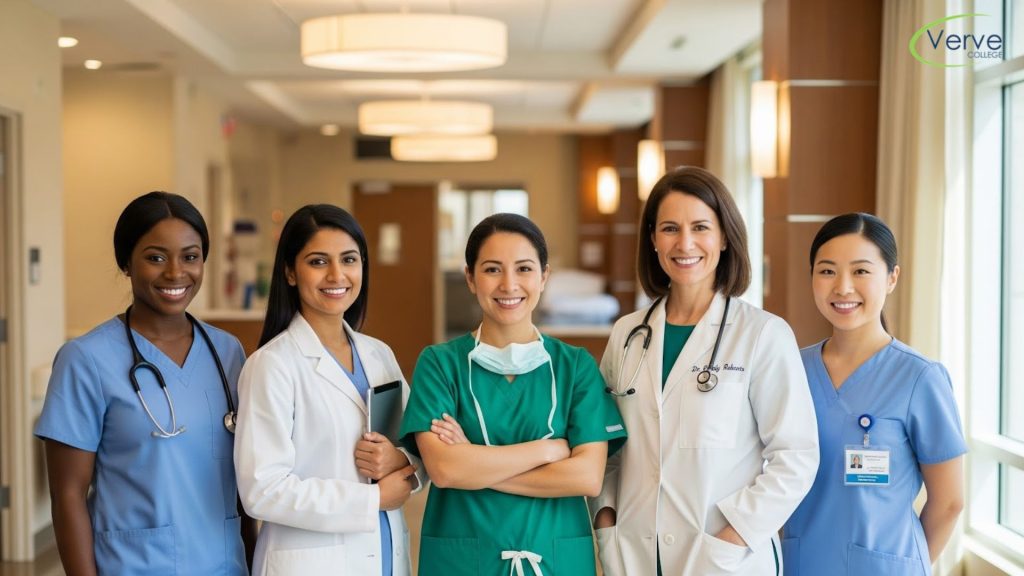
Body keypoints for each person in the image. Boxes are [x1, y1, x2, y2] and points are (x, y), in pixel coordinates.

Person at [591, 166, 819, 575]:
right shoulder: (627, 334)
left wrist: (733, 535)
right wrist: (605, 513)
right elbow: (607, 445)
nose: (685, 243)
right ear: (653, 240)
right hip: (633, 551)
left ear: (725, 237)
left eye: (700, 227)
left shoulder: (762, 334)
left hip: (722, 558)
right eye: (669, 228)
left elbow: (796, 456)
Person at [36, 191, 252, 575]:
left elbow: (244, 482)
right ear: (126, 263)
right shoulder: (86, 360)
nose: (175, 273)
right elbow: (68, 495)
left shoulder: (228, 353)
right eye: (155, 257)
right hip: (133, 566)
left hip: (224, 565)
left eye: (190, 256)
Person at [400, 213, 627, 576]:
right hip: (464, 562)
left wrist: (473, 464)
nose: (509, 284)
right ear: (471, 278)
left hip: (556, 559)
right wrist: (547, 451)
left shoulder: (576, 367)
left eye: (523, 269)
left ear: (543, 277)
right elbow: (443, 469)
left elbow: (586, 477)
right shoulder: (440, 365)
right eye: (492, 270)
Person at [234, 204, 426, 576]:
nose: (337, 275)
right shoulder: (272, 365)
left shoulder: (378, 354)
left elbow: (419, 442)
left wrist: (401, 460)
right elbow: (262, 489)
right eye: (318, 262)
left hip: (386, 556)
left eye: (349, 260)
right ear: (290, 272)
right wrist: (372, 499)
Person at [782, 213, 966, 575]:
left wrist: (902, 564)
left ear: (892, 277)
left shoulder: (919, 378)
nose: (843, 287)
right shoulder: (789, 370)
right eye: (827, 271)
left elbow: (948, 503)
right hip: (802, 564)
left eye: (862, 271)